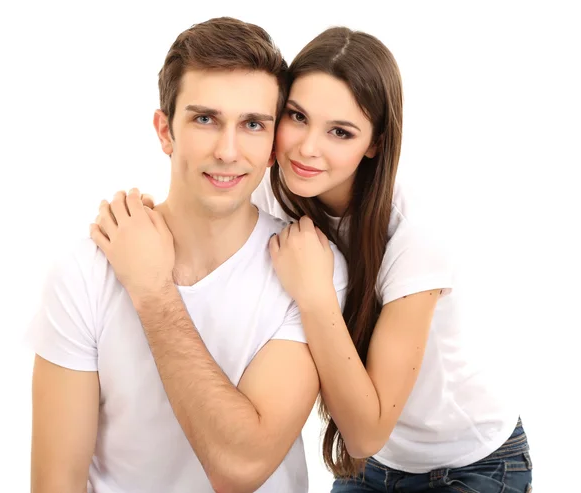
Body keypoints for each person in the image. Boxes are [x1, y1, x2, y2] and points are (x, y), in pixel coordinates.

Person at [103, 25, 533, 492]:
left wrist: (315, 294)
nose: (308, 148)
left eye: (340, 132)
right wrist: (138, 229)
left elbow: (367, 431)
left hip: (469, 462)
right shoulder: (272, 195)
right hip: (371, 465)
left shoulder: (416, 231)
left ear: (374, 144)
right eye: (297, 116)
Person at [27, 17, 348, 493]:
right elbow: (57, 482)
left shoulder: (312, 269)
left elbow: (241, 466)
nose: (228, 150)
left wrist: (153, 291)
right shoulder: (84, 271)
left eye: (253, 124)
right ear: (165, 131)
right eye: (205, 119)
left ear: (273, 145)